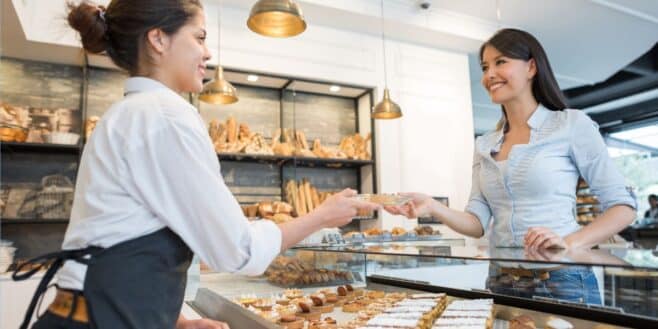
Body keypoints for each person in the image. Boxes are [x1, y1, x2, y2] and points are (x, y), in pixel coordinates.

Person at [12, 1, 379, 329]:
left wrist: (175, 321)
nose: (207, 52)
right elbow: (238, 252)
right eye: (199, 37)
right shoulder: (166, 116)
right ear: (158, 40)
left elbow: (118, 234)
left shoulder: (127, 115)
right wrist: (321, 216)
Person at [385, 28, 636, 304]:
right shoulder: (484, 144)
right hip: (501, 280)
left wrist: (570, 243)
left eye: (500, 62)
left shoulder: (571, 125)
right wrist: (433, 206)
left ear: (531, 67)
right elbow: (477, 223)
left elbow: (623, 207)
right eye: (484, 67)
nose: (488, 75)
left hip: (562, 278)